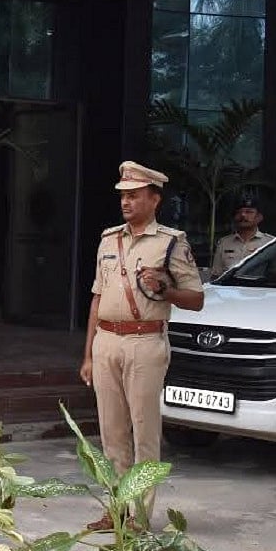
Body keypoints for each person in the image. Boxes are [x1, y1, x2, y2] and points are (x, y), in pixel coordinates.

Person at [79, 162, 205, 530]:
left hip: (145, 341)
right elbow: (96, 298)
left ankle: (141, 515)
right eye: (123, 195)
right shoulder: (108, 239)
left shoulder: (170, 242)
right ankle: (117, 509)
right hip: (107, 340)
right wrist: (88, 354)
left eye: (134, 195)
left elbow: (195, 299)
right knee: (111, 433)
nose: (126, 202)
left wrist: (167, 290)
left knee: (144, 432)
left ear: (154, 199)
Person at [210, 196, 274, 279]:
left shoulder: (270, 242)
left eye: (249, 212)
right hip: (230, 289)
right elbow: (216, 275)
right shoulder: (224, 242)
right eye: (239, 212)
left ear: (259, 217)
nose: (243, 215)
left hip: (259, 289)